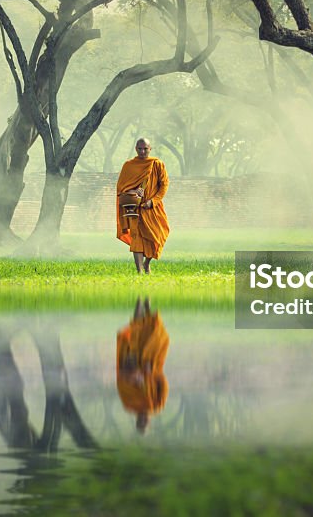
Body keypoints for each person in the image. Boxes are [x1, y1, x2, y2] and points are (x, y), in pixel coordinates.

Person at [116, 138, 170, 274]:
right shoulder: (129, 165)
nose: (142, 151)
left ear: (150, 149)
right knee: (137, 239)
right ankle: (140, 270)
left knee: (159, 235)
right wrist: (133, 192)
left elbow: (164, 185)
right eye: (140, 149)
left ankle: (146, 263)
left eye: (145, 149)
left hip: (153, 208)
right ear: (136, 149)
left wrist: (153, 201)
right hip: (135, 208)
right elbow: (121, 188)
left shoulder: (157, 164)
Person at [116, 296, 170, 434]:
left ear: (136, 421)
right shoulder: (157, 405)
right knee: (154, 335)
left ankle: (139, 304)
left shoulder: (129, 405)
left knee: (136, 333)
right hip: (151, 363)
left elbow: (121, 384)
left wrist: (130, 374)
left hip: (132, 363)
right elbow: (163, 384)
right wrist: (152, 372)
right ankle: (147, 309)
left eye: (140, 422)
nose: (142, 420)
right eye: (144, 423)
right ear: (149, 422)